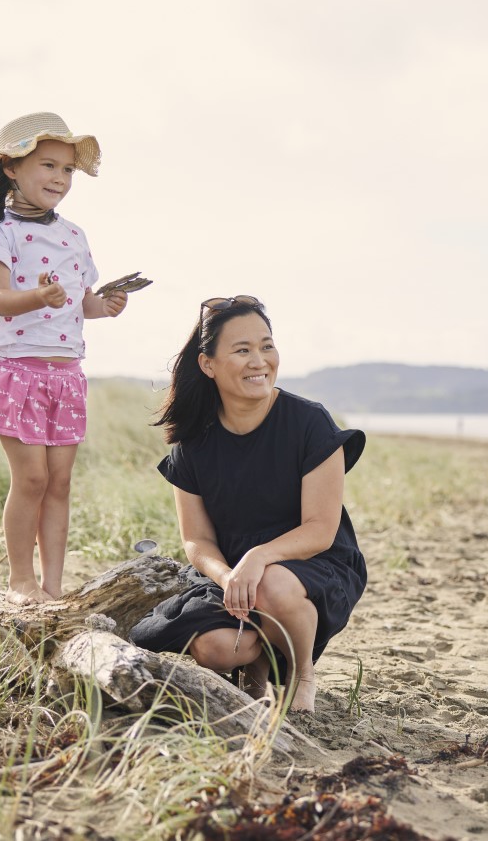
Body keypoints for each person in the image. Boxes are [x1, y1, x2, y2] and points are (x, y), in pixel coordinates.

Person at [129, 296, 367, 713]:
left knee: (272, 584)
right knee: (216, 649)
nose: (259, 361)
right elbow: (197, 540)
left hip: (312, 560)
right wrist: (227, 577)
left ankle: (301, 673)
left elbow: (320, 529)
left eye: (267, 346)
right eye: (242, 350)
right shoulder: (192, 443)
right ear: (208, 364)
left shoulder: (309, 423)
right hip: (233, 570)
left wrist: (259, 557)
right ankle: (254, 666)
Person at [0, 112, 130, 604]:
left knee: (60, 481)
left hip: (66, 374)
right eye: (48, 165)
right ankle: (20, 580)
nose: (59, 178)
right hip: (17, 370)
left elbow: (81, 303)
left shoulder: (74, 235)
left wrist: (105, 306)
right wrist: (39, 297)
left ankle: (52, 586)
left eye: (67, 170)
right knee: (31, 478)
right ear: (11, 168)